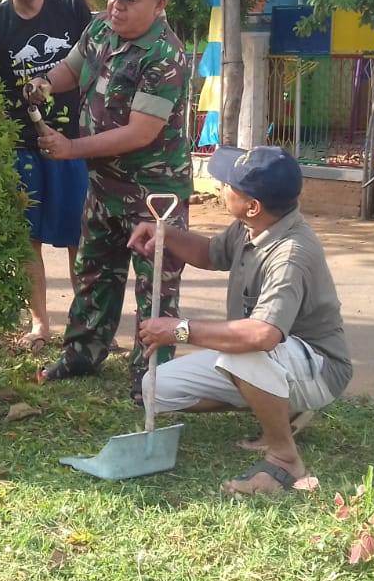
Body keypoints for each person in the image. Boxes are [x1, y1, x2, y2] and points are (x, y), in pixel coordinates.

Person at [128, 146, 352, 495]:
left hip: (318, 367)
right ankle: (281, 408)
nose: (220, 187)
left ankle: (284, 458)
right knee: (156, 388)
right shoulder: (250, 226)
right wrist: (167, 234)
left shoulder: (291, 253)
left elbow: (262, 335)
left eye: (228, 185)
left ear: (253, 205)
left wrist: (181, 330)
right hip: (269, 360)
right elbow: (208, 253)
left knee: (241, 351)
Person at [25, 0, 193, 401]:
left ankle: (151, 376)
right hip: (105, 187)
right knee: (95, 274)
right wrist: (46, 82)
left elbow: (141, 132)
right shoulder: (101, 27)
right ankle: (82, 355)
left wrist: (71, 149)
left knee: (155, 288)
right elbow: (73, 68)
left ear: (159, 4)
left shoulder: (165, 56)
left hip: (155, 196)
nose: (116, 5)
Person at [0, 0, 93, 350]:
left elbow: (96, 57)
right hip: (21, 144)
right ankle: (40, 324)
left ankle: (83, 323)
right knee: (30, 237)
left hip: (73, 138)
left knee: (79, 234)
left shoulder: (73, 7)